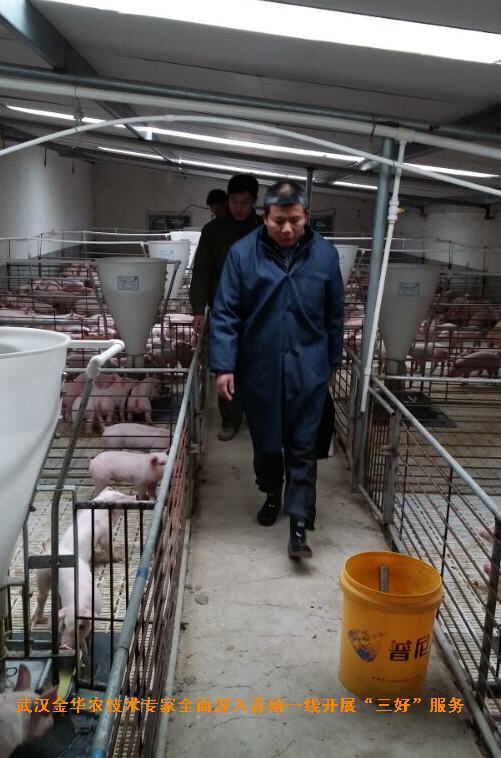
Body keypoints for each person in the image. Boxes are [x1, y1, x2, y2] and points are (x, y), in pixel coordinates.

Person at [208, 180, 344, 559]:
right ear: (264, 216)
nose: (287, 229)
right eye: (279, 220)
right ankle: (271, 492)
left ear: (306, 216)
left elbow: (335, 313)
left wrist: (333, 361)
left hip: (308, 366)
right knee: (267, 443)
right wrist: (224, 365)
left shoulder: (325, 255)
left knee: (304, 444)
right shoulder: (242, 254)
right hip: (260, 368)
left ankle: (299, 522)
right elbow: (225, 313)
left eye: (295, 221)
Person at [190, 173, 261, 441]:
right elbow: (202, 271)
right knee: (226, 365)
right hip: (224, 311)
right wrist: (198, 308)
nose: (239, 207)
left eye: (245, 202)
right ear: (228, 200)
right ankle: (230, 419)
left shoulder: (266, 230)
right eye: (234, 201)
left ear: (254, 202)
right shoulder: (213, 231)